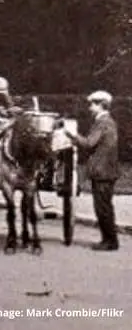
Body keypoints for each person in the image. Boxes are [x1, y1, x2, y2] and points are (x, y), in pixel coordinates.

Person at [65, 90, 119, 251]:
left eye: (92, 104)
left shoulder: (103, 122)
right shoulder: (106, 121)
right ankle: (109, 239)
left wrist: (72, 135)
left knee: (103, 208)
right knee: (104, 207)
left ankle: (110, 241)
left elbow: (89, 143)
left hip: (103, 172)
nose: (90, 107)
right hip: (106, 171)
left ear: (102, 105)